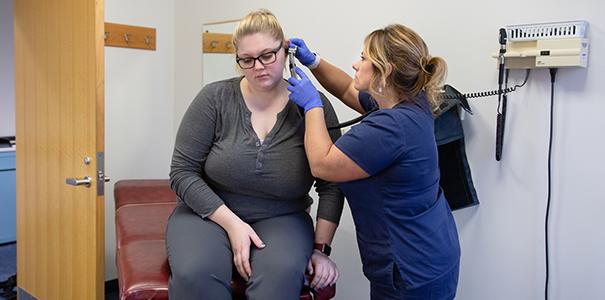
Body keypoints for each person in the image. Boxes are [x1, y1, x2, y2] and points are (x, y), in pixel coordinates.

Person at [167, 9, 343, 300]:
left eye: (267, 56)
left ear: (286, 53)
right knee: (196, 273)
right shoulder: (214, 99)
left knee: (281, 276)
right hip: (207, 213)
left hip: (282, 216)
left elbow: (332, 183)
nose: (258, 66)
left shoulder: (312, 105)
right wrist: (233, 224)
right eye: (247, 60)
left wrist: (321, 250)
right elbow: (182, 172)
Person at [287, 24, 461, 300]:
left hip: (409, 269)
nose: (356, 64)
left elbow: (322, 165)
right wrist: (314, 62)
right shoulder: (411, 100)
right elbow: (347, 88)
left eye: (364, 57)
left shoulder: (392, 127)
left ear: (386, 70)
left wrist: (312, 105)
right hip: (431, 249)